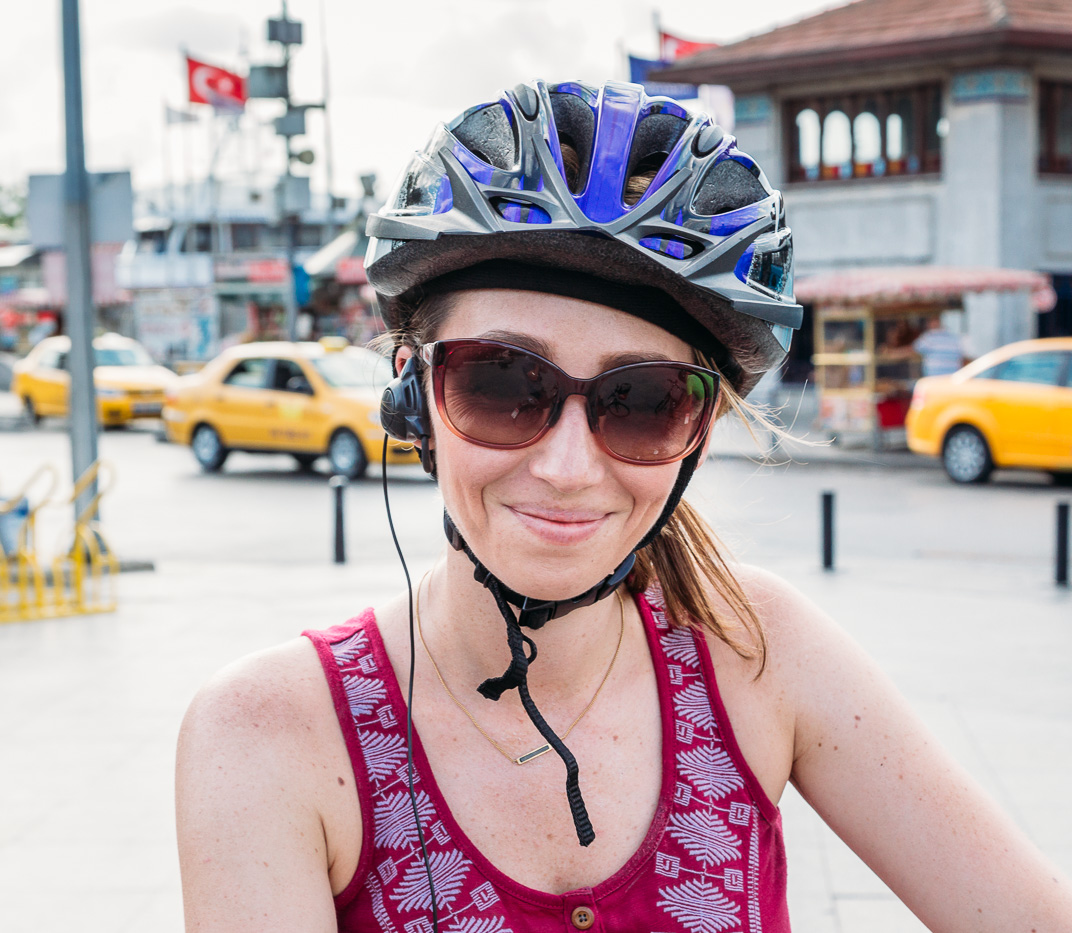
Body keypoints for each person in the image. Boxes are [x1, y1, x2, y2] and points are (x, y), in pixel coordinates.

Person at [175, 80, 1072, 931]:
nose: (568, 467)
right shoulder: (264, 737)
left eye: (642, 401)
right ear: (413, 398)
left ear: (701, 431)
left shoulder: (757, 649)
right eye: (501, 381)